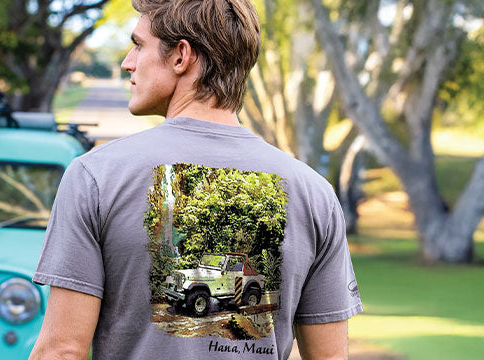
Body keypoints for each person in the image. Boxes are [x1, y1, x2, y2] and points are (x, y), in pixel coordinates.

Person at [26, 0, 362, 358]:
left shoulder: (95, 176)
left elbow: (61, 351)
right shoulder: (315, 194)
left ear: (181, 57)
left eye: (139, 45)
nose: (128, 62)